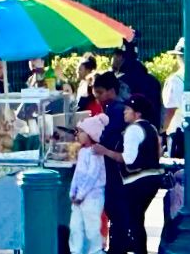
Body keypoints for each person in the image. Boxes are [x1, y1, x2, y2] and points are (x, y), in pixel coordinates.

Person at [93, 95, 161, 254]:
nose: (124, 112)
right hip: (153, 178)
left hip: (137, 181)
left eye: (128, 110)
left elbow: (127, 159)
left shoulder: (133, 130)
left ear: (137, 114)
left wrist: (105, 151)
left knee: (133, 220)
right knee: (137, 220)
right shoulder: (151, 128)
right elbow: (157, 153)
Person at [90, 72, 127, 254]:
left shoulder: (116, 110)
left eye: (100, 92)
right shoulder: (114, 109)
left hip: (115, 168)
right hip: (114, 167)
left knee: (116, 209)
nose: (97, 98)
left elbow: (106, 137)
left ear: (111, 91)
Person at [69, 114, 109, 254]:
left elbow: (91, 176)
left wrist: (80, 194)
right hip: (79, 198)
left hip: (92, 197)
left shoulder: (95, 153)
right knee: (76, 226)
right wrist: (73, 192)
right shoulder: (82, 152)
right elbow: (77, 175)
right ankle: (76, 250)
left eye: (80, 132)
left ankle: (95, 250)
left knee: (92, 227)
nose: (77, 135)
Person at [111, 40, 162, 129]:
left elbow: (119, 109)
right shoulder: (153, 80)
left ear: (119, 56)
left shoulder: (121, 82)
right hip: (152, 129)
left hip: (130, 129)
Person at [163, 39, 186, 158]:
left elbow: (170, 109)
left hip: (179, 133)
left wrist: (161, 130)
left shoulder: (176, 79)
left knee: (177, 173)